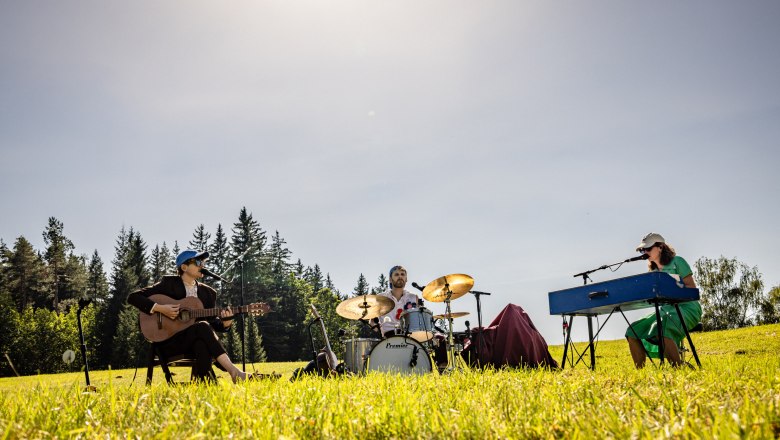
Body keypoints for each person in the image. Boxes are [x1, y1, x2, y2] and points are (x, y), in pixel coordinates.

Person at [128, 249, 253, 383]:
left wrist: (226, 322)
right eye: (198, 262)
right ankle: (234, 372)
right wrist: (161, 309)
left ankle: (204, 384)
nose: (202, 266)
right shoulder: (168, 284)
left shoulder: (208, 293)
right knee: (202, 328)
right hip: (168, 342)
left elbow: (212, 323)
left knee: (201, 340)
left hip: (193, 341)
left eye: (204, 262)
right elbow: (133, 297)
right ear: (184, 267)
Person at [625, 233, 702, 368]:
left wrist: (671, 289)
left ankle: (678, 369)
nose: (645, 252)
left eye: (648, 248)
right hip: (665, 311)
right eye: (643, 250)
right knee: (632, 331)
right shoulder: (652, 272)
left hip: (687, 308)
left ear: (660, 247)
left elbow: (691, 288)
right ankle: (640, 373)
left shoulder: (678, 261)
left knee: (663, 327)